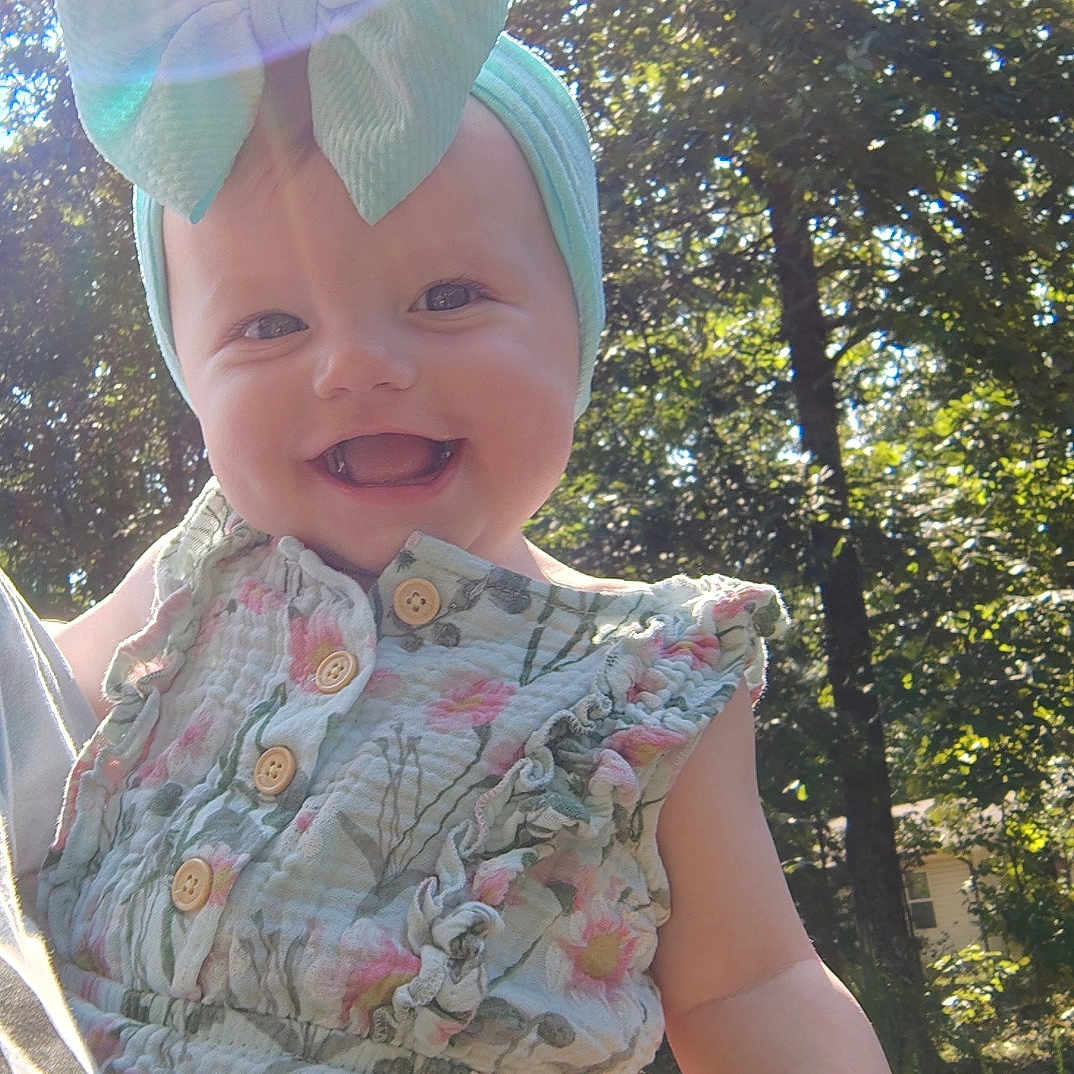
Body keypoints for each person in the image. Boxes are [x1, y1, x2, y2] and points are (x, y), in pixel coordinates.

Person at [4, 2, 893, 1071]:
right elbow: (30, 699)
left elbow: (753, 986)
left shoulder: (647, 685)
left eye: (447, 296)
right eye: (270, 325)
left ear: (579, 332)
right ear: (190, 377)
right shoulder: (197, 580)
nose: (354, 367)